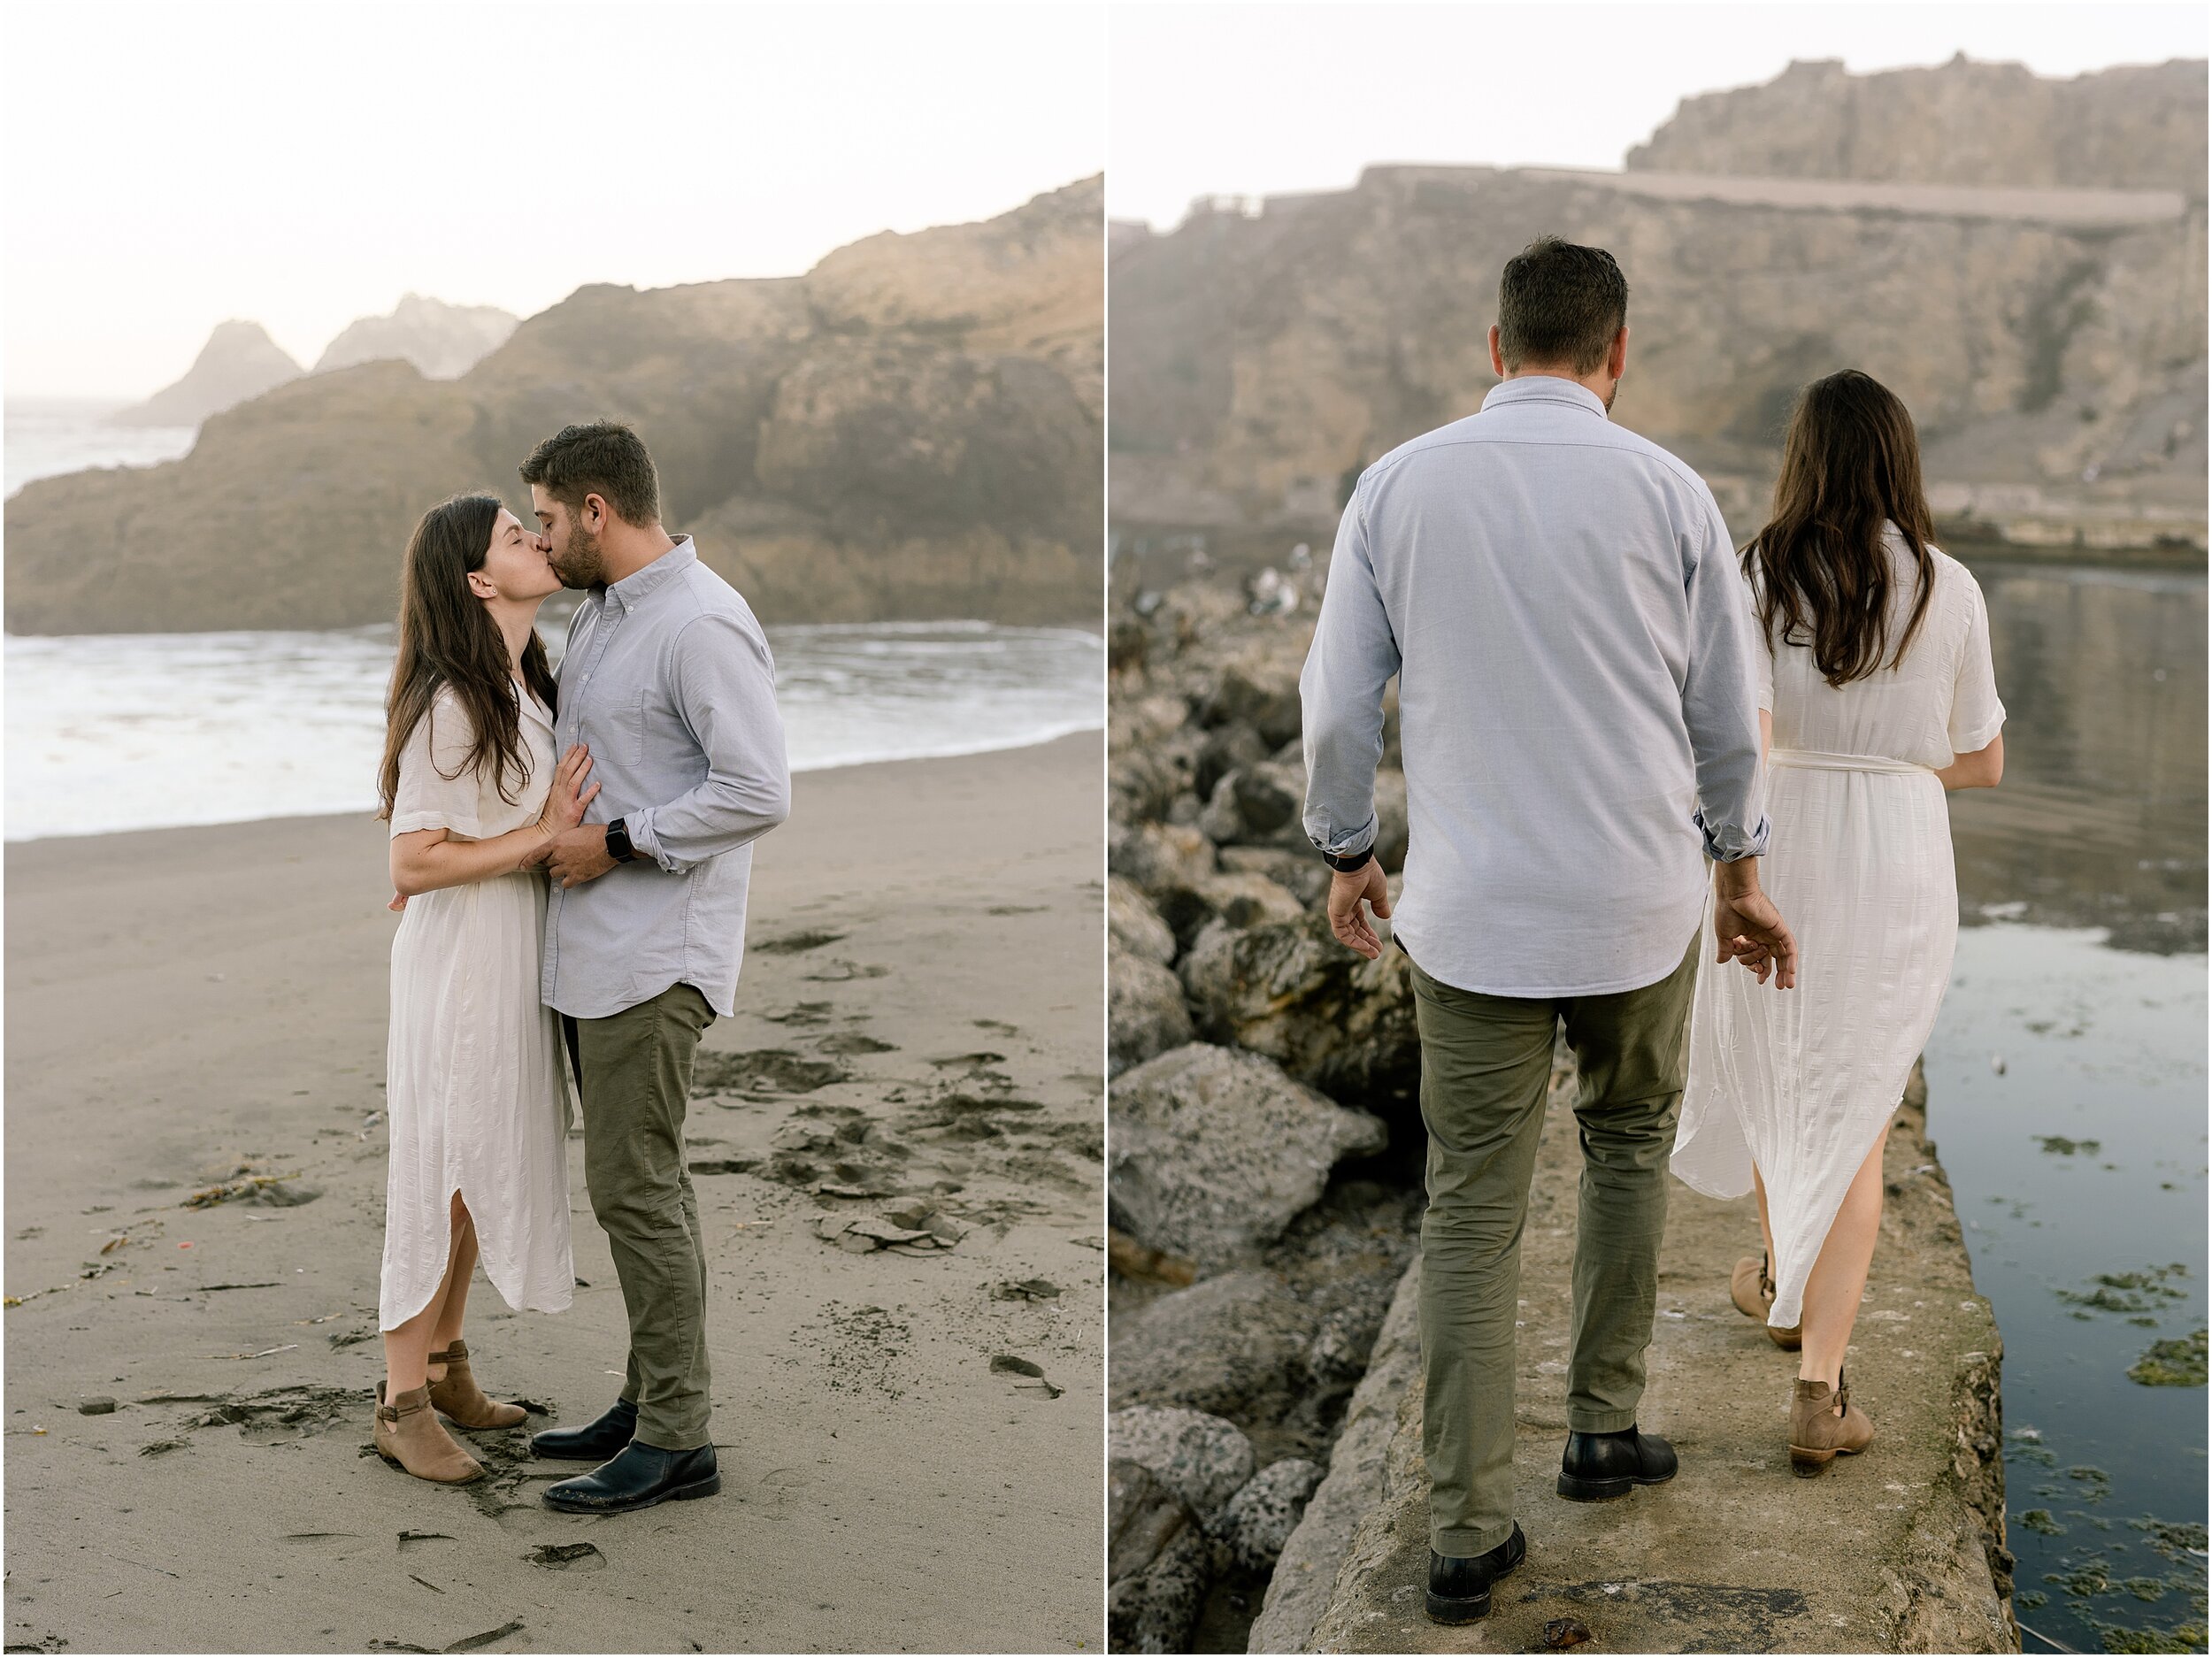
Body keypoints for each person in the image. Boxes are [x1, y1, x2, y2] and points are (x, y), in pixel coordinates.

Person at [1300, 236, 1798, 1625]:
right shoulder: (1671, 493)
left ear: (1495, 342)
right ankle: (1598, 1427)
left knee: (1471, 1208)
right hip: (1639, 903)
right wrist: (1740, 872)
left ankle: (1464, 1530)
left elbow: (1338, 706)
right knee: (1629, 1147)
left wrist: (1348, 850)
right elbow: (1723, 719)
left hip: (1468, 917)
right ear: (1617, 353)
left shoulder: (1397, 485)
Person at [1671, 370, 2005, 1477]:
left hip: (1777, 830)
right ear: (1900, 458)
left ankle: (1781, 1279)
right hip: (1898, 850)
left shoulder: (1757, 570)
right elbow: (1985, 757)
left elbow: (1728, 730)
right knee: (1859, 1104)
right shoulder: (1947, 585)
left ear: (1801, 457)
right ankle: (1818, 1382)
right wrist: (1894, 766)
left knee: (1778, 1068)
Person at [514, 422, 792, 1515]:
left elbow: (759, 788)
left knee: (635, 1186)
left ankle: (678, 1436)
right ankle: (646, 1399)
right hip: (596, 947)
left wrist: (619, 839)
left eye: (545, 515)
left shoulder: (701, 621)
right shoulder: (605, 617)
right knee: (636, 1184)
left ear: (594, 508)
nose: (540, 533)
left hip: (655, 952)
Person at [374, 494, 599, 1484]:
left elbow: (461, 839)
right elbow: (415, 860)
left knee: (478, 1169)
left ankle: (449, 1360)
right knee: (439, 1171)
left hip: (509, 950)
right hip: (462, 961)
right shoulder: (455, 699)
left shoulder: (524, 684)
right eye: (517, 536)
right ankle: (401, 1400)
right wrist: (539, 836)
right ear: (476, 578)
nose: (538, 542)